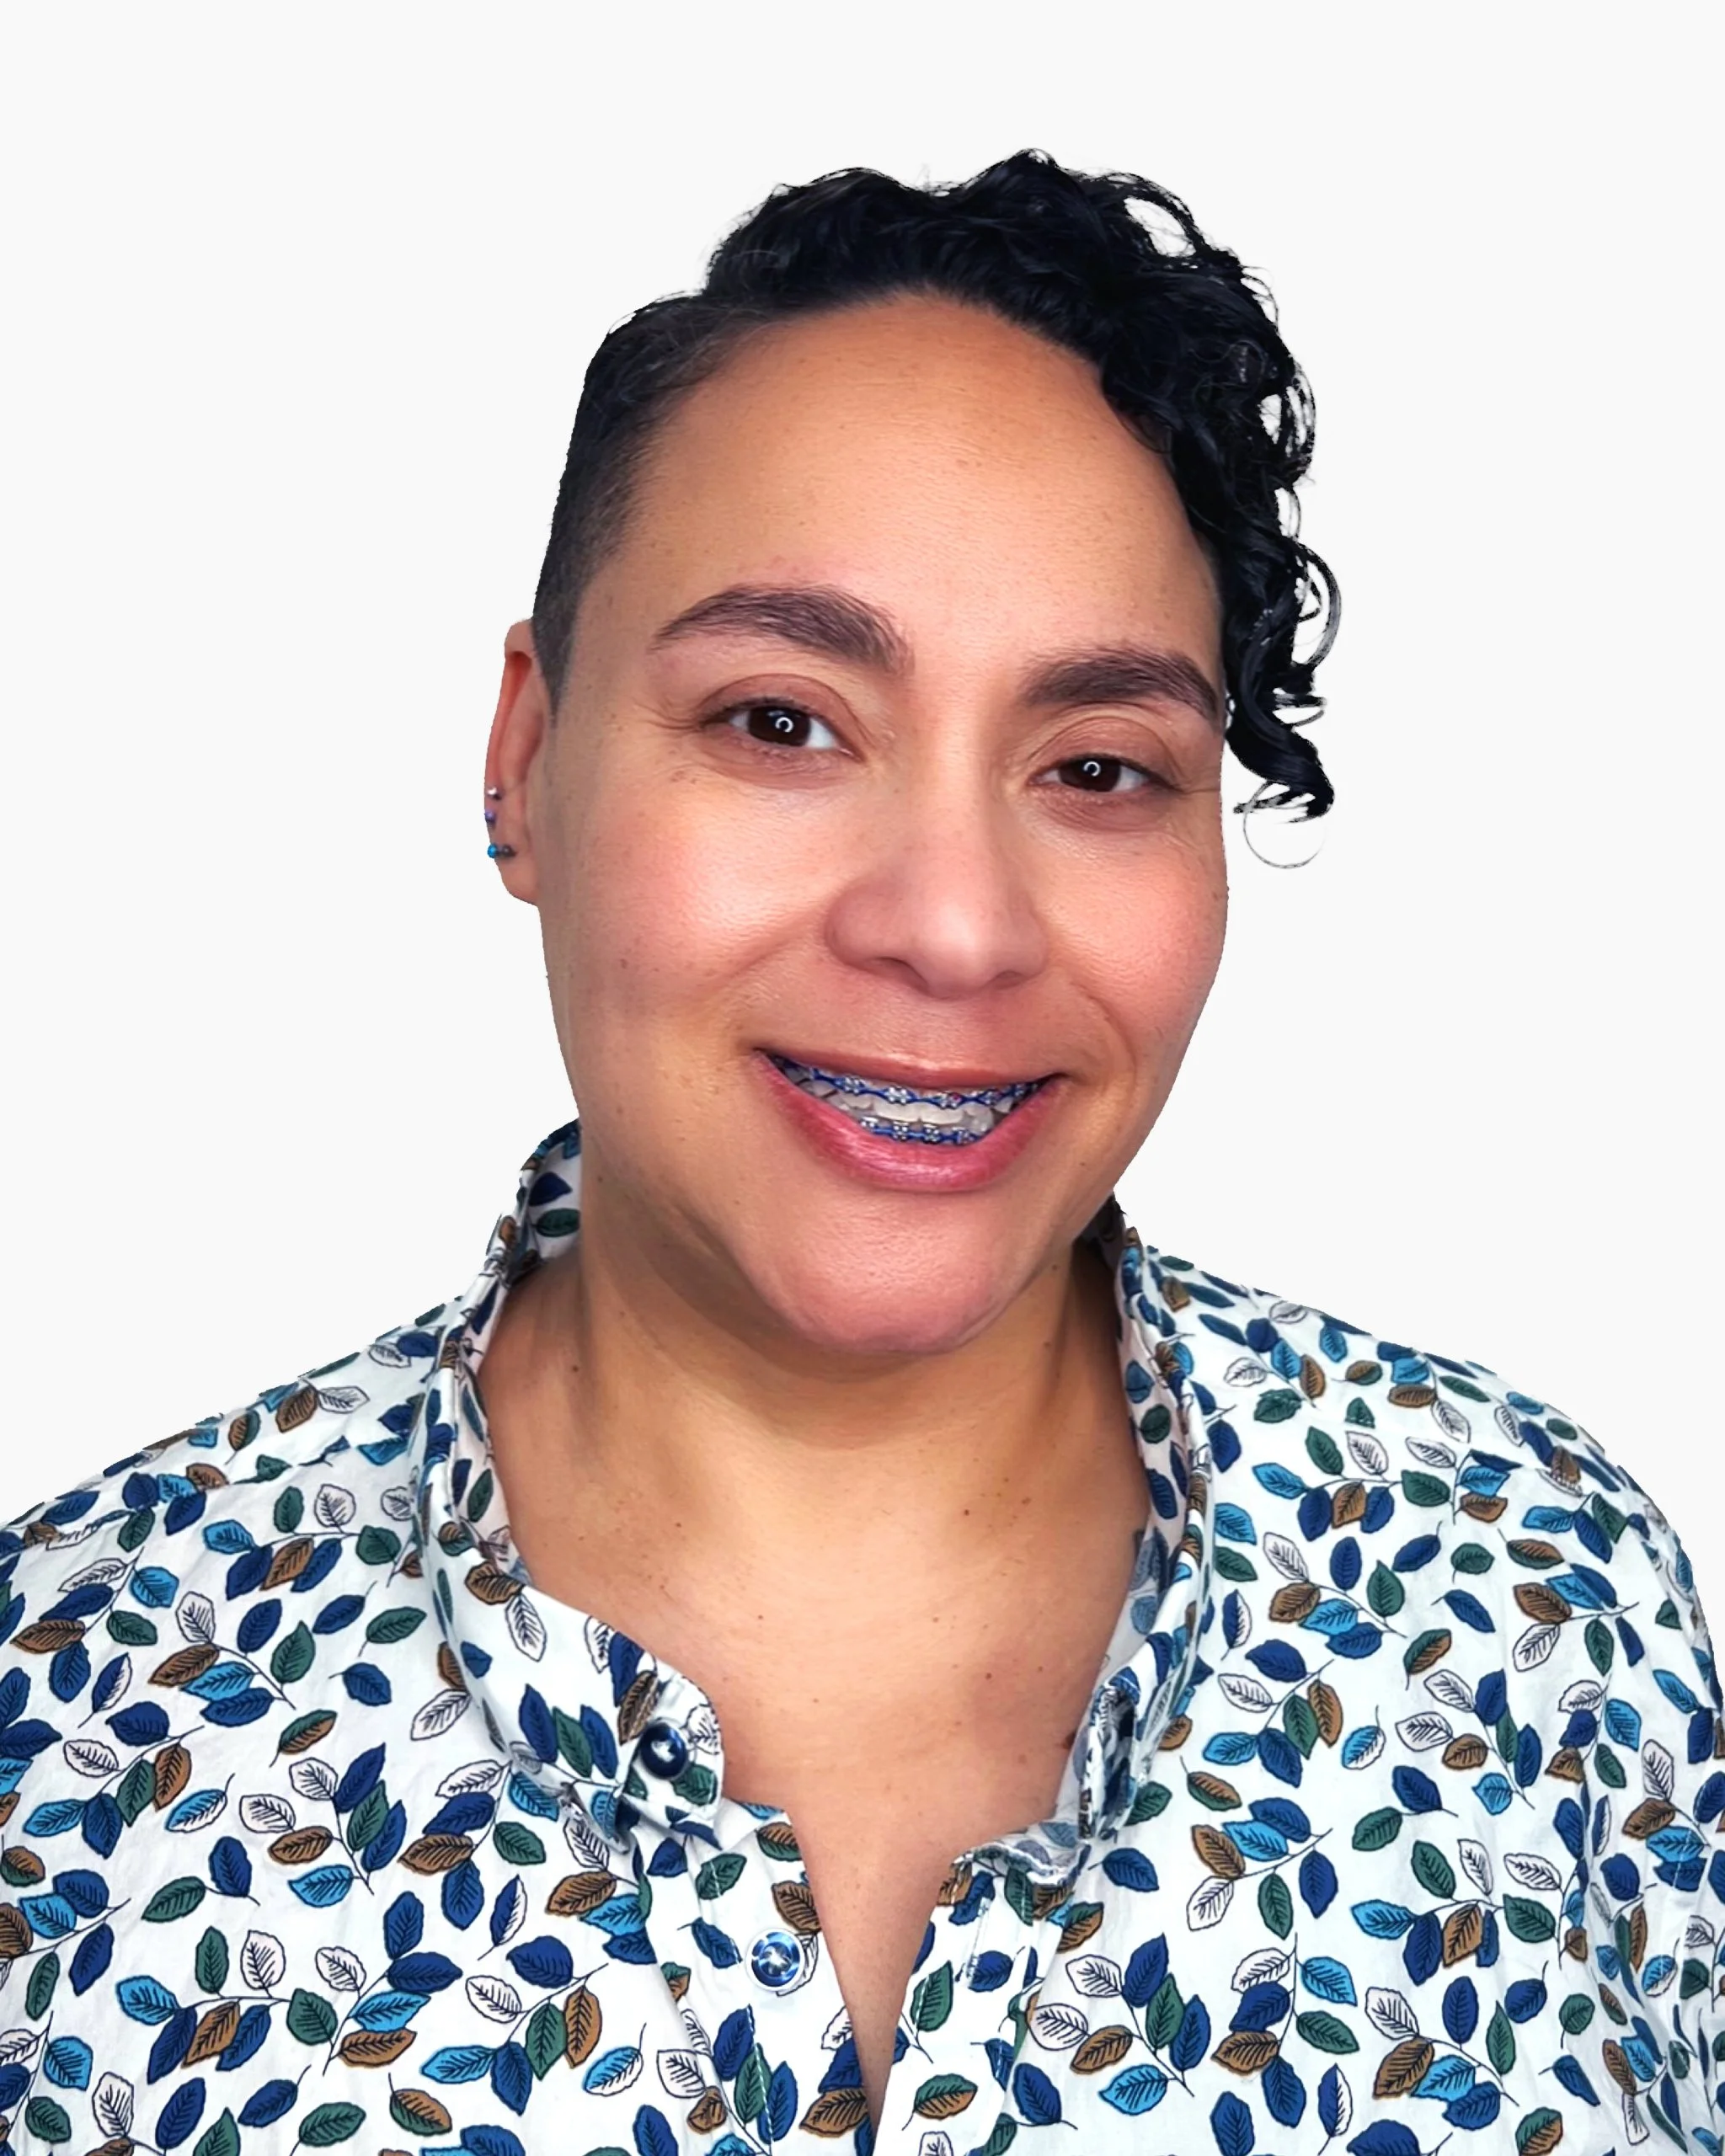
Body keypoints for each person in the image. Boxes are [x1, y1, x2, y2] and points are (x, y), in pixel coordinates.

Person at [0, 151, 1715, 2156]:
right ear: (522, 762)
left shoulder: (1533, 1589)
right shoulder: (70, 1716)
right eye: (782, 722)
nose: (955, 923)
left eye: (1095, 766)